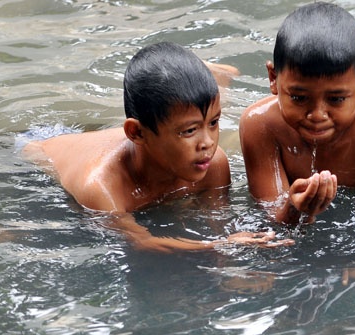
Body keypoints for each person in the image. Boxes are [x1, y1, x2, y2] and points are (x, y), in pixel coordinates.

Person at [22, 42, 293, 252]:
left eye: (214, 123)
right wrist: (217, 246)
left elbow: (217, 223)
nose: (208, 143)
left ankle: (205, 79)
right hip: (35, 149)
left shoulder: (214, 163)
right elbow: (143, 243)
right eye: (189, 131)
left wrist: (231, 268)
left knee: (166, 116)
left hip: (133, 139)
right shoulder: (102, 188)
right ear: (137, 132)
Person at [239, 2, 355, 225]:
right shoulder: (259, 125)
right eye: (299, 98)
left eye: (336, 99)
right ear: (273, 78)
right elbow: (270, 215)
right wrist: (295, 209)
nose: (317, 115)